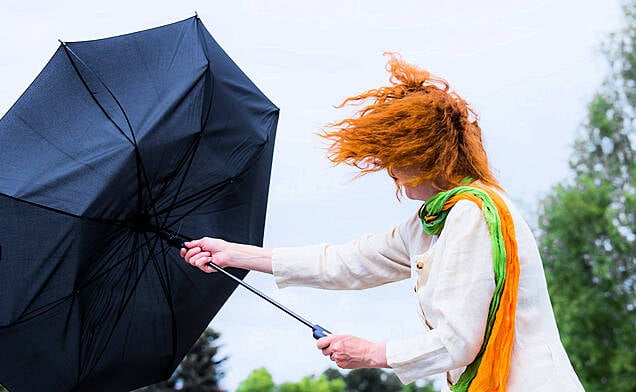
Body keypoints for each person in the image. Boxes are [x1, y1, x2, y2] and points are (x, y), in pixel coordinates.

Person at [180, 53, 584, 391]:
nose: (388, 168)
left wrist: (371, 353)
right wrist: (235, 254)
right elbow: (343, 262)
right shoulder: (432, 223)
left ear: (425, 154)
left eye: (393, 155)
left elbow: (458, 342)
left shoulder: (471, 216)